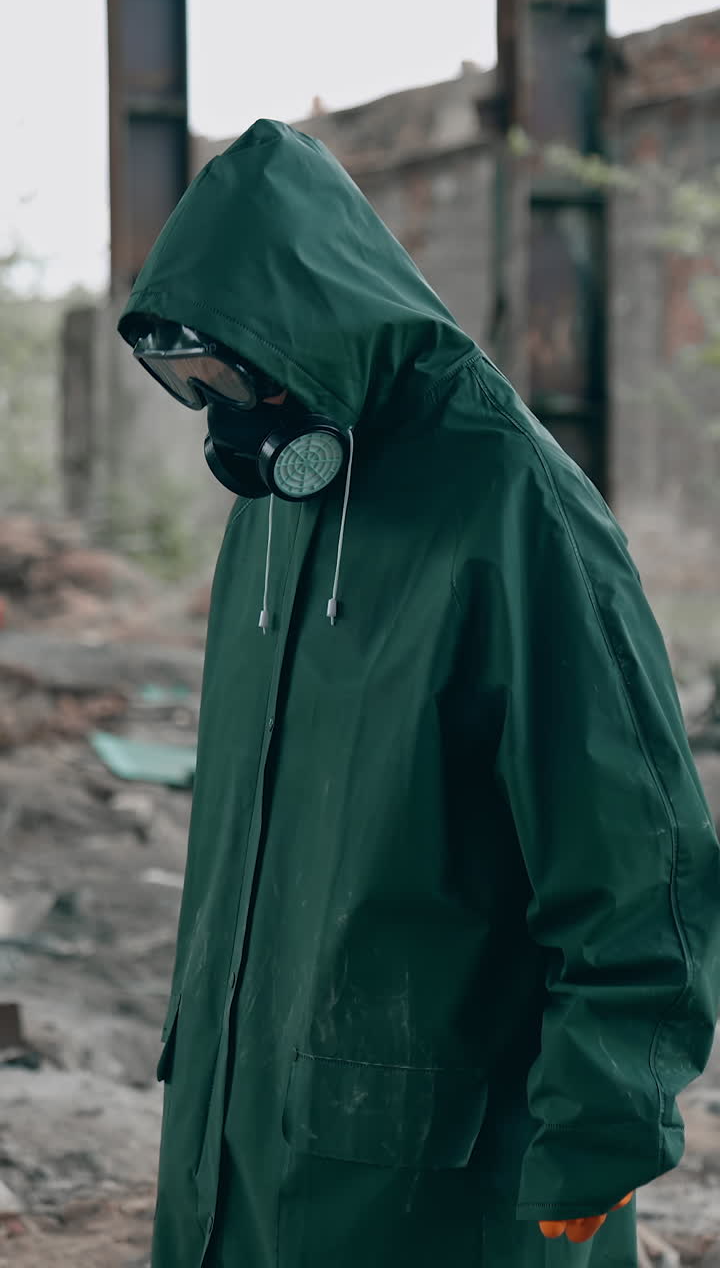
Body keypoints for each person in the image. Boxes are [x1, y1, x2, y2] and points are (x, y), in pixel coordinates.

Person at [118, 119, 720, 1268]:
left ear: (313, 324)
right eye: (193, 383)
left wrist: (601, 1129)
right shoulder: (275, 508)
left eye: (235, 371)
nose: (227, 416)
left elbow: (644, 867)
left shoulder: (516, 510)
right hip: (238, 1149)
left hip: (437, 1188)